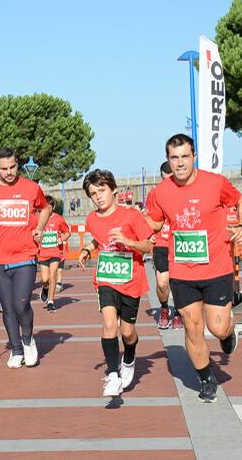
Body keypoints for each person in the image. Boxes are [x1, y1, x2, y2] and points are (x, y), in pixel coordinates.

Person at [146, 134, 242, 403]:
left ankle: (228, 332)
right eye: (174, 157)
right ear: (168, 160)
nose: (180, 163)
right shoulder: (160, 192)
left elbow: (240, 202)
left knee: (216, 327)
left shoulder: (215, 183)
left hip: (216, 267)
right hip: (182, 271)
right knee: (192, 328)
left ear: (194, 157)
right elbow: (154, 223)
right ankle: (206, 378)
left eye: (184, 157)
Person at [0, 148, 52, 368]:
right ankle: (15, 349)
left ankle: (27, 340)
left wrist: (40, 228)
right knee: (7, 307)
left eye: (13, 167)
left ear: (18, 164)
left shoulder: (31, 188)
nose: (9, 172)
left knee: (21, 304)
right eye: (4, 168)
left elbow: (45, 209)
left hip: (25, 256)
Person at [78, 169, 153, 397]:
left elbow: (148, 246)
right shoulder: (92, 219)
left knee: (127, 331)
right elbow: (99, 240)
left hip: (131, 280)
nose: (98, 196)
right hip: (106, 279)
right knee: (109, 323)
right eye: (93, 194)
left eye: (102, 191)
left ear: (113, 190)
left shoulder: (131, 216)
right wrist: (86, 250)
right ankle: (112, 374)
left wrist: (127, 241)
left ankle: (128, 358)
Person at [146, 161, 182, 330]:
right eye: (165, 179)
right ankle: (165, 309)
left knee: (180, 282)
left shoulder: (184, 191)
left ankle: (179, 314)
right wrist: (148, 235)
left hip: (181, 242)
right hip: (161, 243)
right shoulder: (155, 194)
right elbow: (149, 219)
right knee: (162, 283)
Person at [38, 195, 71, 312]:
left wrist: (61, 239)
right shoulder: (38, 218)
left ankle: (51, 301)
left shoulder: (58, 219)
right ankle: (45, 287)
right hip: (42, 253)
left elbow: (67, 232)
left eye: (49, 207)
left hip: (55, 252)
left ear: (53, 207)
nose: (47, 209)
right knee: (44, 278)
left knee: (53, 276)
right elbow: (33, 233)